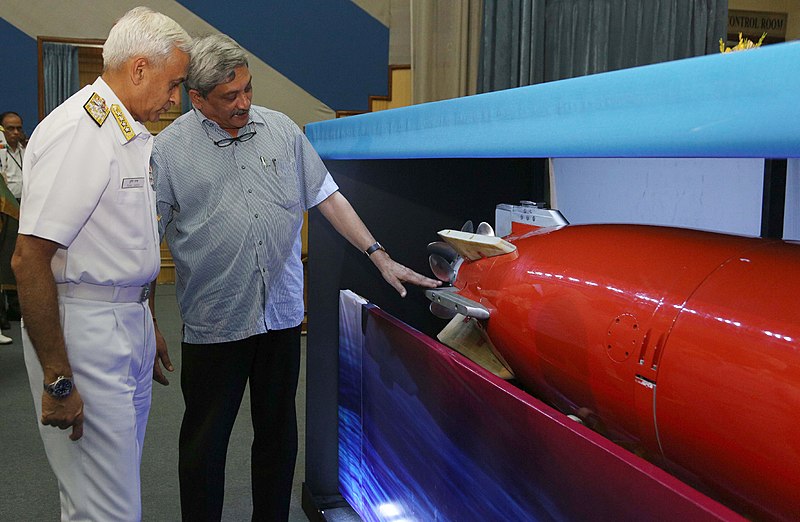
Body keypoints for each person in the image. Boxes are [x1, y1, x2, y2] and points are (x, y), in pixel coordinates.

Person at [150, 34, 441, 521]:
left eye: (247, 89)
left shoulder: (281, 130)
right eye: (229, 96)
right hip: (215, 322)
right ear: (197, 99)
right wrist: (144, 316)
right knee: (205, 443)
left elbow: (328, 197)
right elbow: (143, 239)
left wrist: (379, 254)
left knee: (278, 435)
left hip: (280, 318)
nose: (244, 103)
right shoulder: (168, 152)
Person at [11, 7, 191, 520]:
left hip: (124, 323)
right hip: (85, 333)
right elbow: (29, 260)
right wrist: (57, 379)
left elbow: (128, 242)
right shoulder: (81, 131)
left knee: (100, 495)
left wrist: (148, 320)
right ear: (139, 69)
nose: (175, 98)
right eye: (173, 83)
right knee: (108, 509)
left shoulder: (124, 130)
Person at [1, 111, 26, 328]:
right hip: (5, 209)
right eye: (10, 128)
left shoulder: (26, 150)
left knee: (23, 257)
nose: (15, 133)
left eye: (18, 128)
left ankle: (17, 307)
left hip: (25, 207)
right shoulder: (1, 152)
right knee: (5, 260)